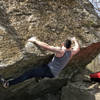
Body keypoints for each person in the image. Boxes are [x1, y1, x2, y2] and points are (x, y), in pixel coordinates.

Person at [0, 37, 80, 88]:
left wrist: (35, 40)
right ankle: (39, 77)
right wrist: (75, 40)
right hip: (53, 74)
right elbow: (78, 48)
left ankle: (8, 84)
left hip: (48, 70)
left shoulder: (60, 51)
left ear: (63, 44)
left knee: (28, 74)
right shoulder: (72, 52)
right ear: (70, 46)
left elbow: (46, 46)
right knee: (40, 69)